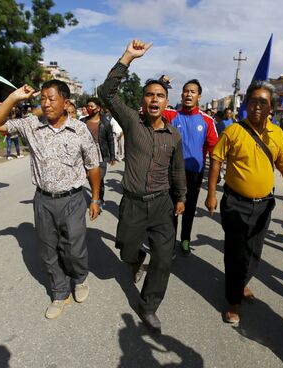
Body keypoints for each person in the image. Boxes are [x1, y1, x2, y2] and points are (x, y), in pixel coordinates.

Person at [0, 80, 101, 320]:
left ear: (65, 102)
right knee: (48, 249)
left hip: (73, 199)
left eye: (52, 98)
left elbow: (93, 166)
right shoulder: (32, 125)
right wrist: (13, 98)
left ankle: (80, 278)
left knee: (74, 247)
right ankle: (60, 293)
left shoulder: (79, 130)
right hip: (43, 200)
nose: (46, 103)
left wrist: (96, 199)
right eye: (43, 99)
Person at [101, 40, 186, 334]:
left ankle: (148, 306)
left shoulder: (174, 135)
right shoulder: (132, 122)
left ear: (166, 102)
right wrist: (128, 57)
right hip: (133, 204)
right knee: (126, 252)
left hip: (162, 205)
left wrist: (181, 198)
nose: (154, 99)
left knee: (163, 259)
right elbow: (106, 93)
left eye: (159, 95)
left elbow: (177, 170)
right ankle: (135, 259)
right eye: (149, 94)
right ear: (142, 100)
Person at [206, 80, 283, 324]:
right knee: (236, 253)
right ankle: (234, 301)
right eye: (253, 101)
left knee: (254, 252)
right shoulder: (234, 131)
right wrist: (211, 193)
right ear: (246, 104)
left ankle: (241, 283)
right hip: (235, 203)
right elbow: (217, 159)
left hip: (264, 205)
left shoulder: (278, 134)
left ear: (271, 108)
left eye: (263, 102)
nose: (257, 105)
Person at [163, 79, 218, 255]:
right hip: (172, 174)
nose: (189, 94)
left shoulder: (207, 121)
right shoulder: (171, 115)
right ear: (181, 94)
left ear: (199, 96)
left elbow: (215, 152)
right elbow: (149, 104)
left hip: (194, 174)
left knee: (189, 209)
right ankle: (170, 243)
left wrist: (213, 189)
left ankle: (185, 239)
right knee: (171, 209)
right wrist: (161, 83)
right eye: (186, 91)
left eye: (193, 91)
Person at [81, 97, 116, 203]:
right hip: (87, 154)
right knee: (90, 177)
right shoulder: (82, 122)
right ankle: (95, 195)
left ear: (98, 108)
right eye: (88, 106)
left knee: (99, 178)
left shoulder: (105, 122)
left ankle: (99, 199)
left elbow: (110, 139)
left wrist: (112, 156)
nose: (88, 108)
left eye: (91, 106)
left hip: (101, 153)